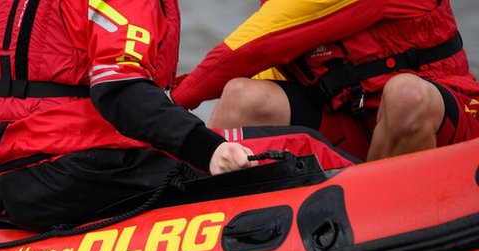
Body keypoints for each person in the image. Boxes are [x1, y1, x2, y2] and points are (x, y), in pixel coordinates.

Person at [0, 2, 352, 230]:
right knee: (300, 147)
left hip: (18, 187)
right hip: (92, 168)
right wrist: (208, 150)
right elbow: (121, 92)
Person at [170, 0, 479, 162]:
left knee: (406, 95)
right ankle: (217, 222)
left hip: (445, 122)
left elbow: (253, 47)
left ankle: (372, 224)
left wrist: (165, 105)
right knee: (241, 98)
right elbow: (270, 70)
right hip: (353, 121)